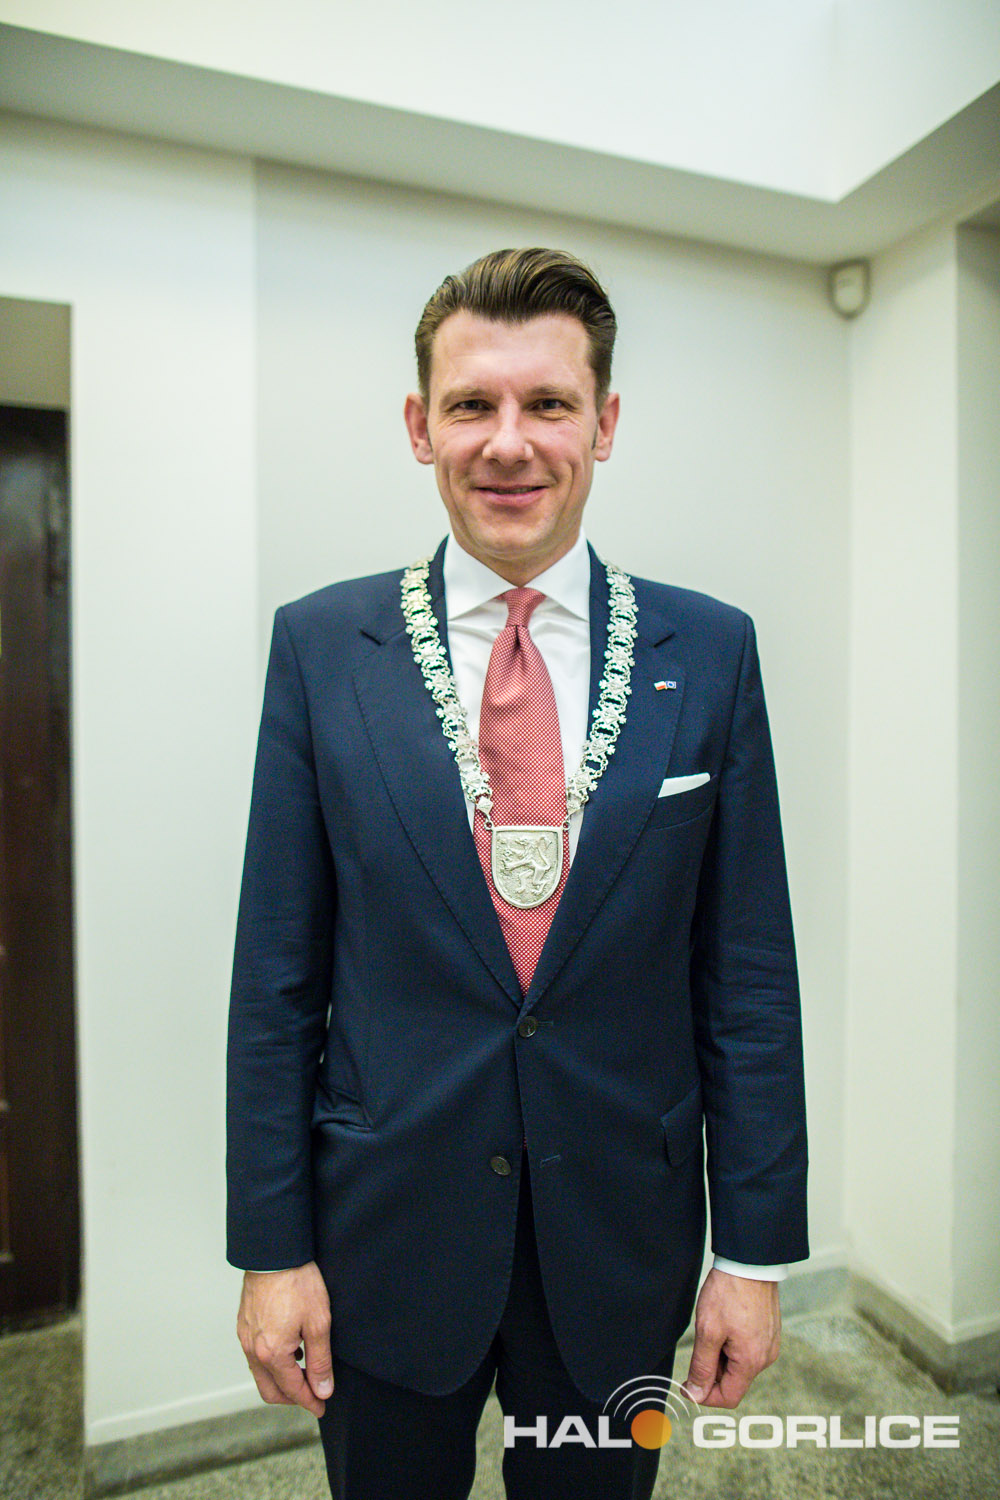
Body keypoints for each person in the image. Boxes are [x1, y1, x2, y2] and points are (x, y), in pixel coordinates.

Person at [227, 247, 808, 1500]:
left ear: (603, 424)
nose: (508, 442)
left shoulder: (710, 651)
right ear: (418, 427)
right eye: (470, 405)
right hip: (382, 1232)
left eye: (547, 403)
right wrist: (271, 1249)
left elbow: (748, 979)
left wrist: (754, 1254)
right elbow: (275, 979)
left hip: (620, 1235)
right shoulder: (322, 648)